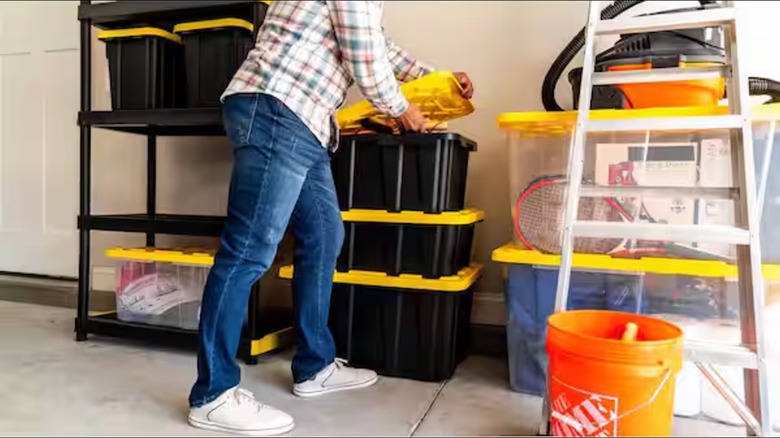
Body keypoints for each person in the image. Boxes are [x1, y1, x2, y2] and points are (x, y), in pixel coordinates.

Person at [186, 1, 474, 436]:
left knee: (324, 236)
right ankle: (212, 394)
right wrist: (400, 110)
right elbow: (363, 52)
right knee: (248, 250)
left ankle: (314, 367)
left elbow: (378, 44)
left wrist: (438, 79)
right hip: (278, 107)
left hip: (306, 122)